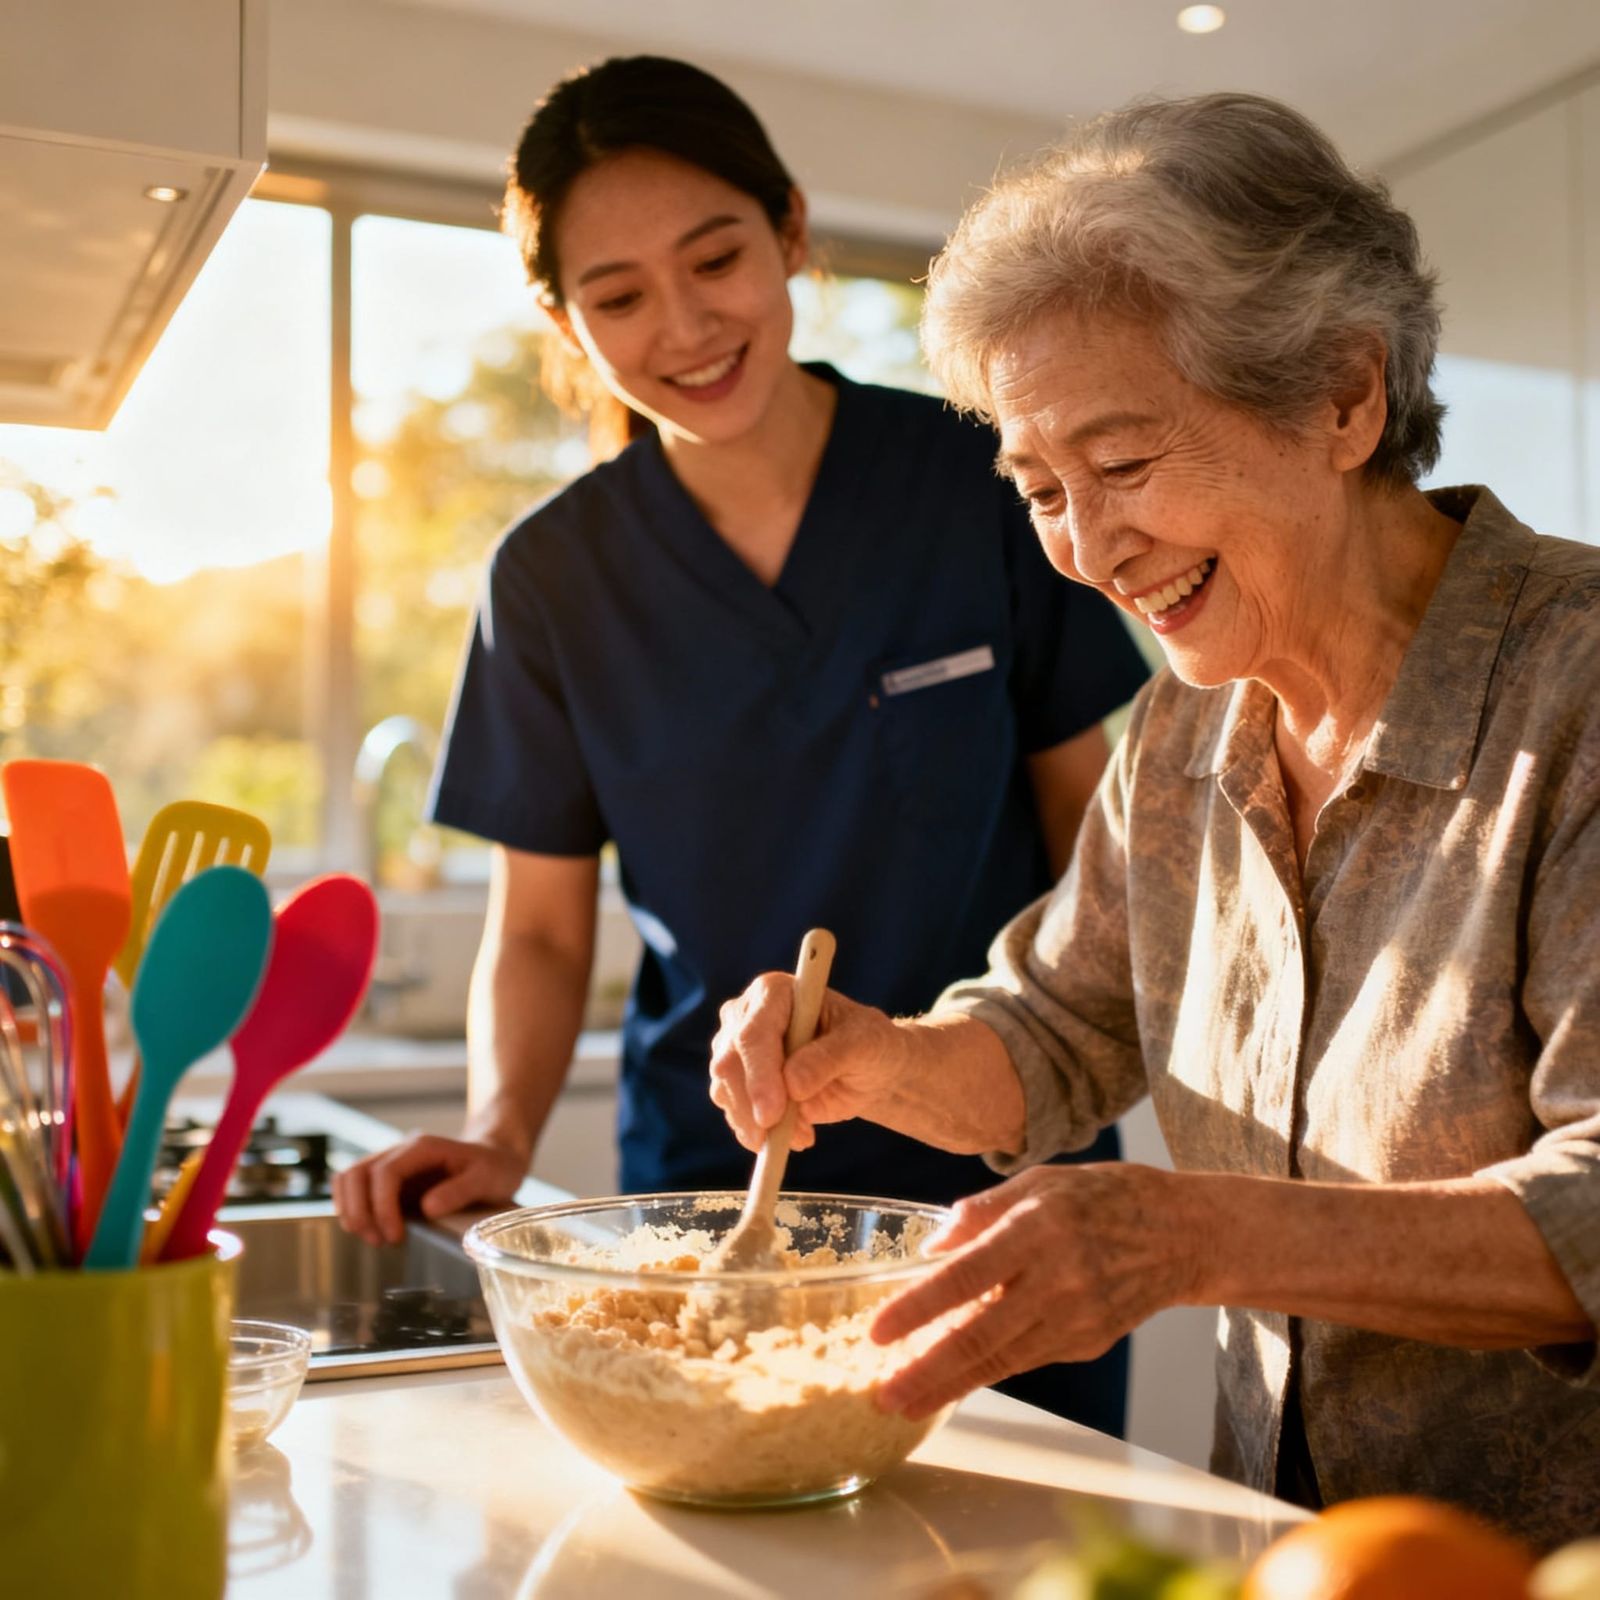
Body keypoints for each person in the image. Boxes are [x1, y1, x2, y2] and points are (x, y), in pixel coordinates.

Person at [709, 91, 1600, 1549]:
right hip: (1301, 1553)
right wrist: (880, 1061)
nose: (1089, 549)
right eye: (1041, 489)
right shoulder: (1189, 725)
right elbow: (1059, 1032)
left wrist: (1184, 1235)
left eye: (1121, 466)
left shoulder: (1579, 688)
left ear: (1342, 398)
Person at [331, 55, 1149, 1435]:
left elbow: (1101, 835)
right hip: (717, 1188)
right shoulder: (550, 580)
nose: (685, 327)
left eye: (716, 259)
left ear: (791, 232)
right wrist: (498, 1134)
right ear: (562, 317)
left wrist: (1137, 1060)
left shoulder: (979, 481)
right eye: (619, 296)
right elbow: (538, 930)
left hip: (1008, 1171)